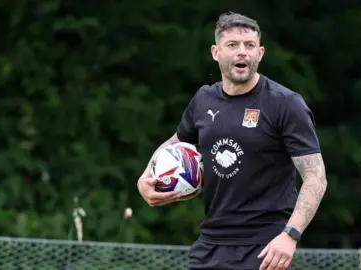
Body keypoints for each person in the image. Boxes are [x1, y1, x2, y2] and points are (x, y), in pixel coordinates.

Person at [137, 11, 327, 270]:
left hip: (266, 248)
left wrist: (290, 235)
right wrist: (144, 178)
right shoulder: (204, 99)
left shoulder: (284, 104)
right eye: (233, 45)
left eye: (249, 45)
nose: (242, 52)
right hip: (210, 244)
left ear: (260, 53)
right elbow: (175, 142)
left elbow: (316, 176)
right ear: (216, 52)